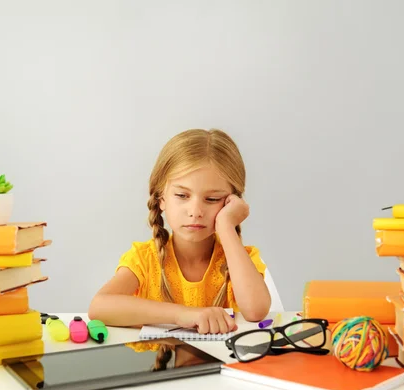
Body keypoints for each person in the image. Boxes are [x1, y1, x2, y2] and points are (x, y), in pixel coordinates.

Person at [88, 128, 271, 334]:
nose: (195, 212)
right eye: (182, 195)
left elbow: (256, 311)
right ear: (161, 198)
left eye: (212, 199)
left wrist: (227, 227)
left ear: (232, 202)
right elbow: (99, 307)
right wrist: (183, 314)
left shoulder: (239, 260)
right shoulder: (144, 259)